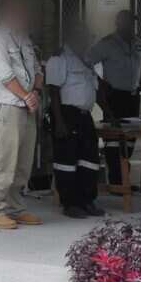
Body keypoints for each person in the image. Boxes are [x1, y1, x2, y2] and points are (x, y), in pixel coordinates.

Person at [0, 0, 45, 230]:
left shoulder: (24, 38)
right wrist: (26, 96)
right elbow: (5, 76)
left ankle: (16, 208)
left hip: (28, 105)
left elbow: (38, 68)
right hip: (9, 106)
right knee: (5, 160)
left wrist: (35, 91)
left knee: (23, 161)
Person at [46, 24, 106, 219]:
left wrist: (110, 114)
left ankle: (86, 200)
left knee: (89, 160)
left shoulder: (88, 60)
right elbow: (53, 90)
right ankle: (70, 203)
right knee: (66, 162)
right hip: (65, 114)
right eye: (83, 36)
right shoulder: (60, 57)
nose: (86, 40)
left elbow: (96, 90)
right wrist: (59, 122)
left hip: (84, 114)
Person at [88, 10, 141, 185]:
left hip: (133, 96)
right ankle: (117, 182)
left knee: (129, 140)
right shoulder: (107, 44)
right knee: (113, 141)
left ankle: (123, 180)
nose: (130, 25)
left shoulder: (140, 43)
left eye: (132, 22)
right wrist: (100, 82)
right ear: (118, 23)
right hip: (114, 96)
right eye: (126, 22)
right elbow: (86, 62)